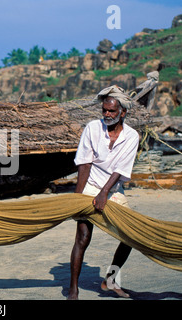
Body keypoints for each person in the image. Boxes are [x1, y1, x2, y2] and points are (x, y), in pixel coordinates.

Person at [67, 86, 140, 300]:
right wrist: (77, 198)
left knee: (130, 237)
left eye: (112, 111)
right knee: (83, 237)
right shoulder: (92, 128)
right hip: (90, 185)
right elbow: (84, 164)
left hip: (113, 188)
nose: (107, 114)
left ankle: (110, 280)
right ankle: (73, 289)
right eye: (104, 110)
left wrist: (104, 194)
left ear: (123, 113)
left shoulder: (132, 136)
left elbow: (121, 169)